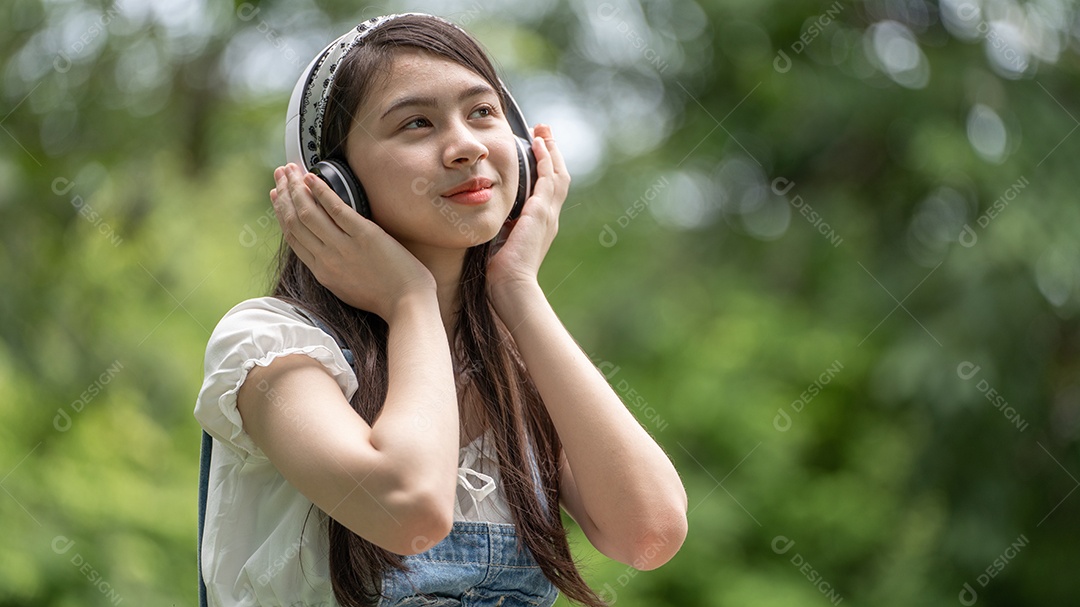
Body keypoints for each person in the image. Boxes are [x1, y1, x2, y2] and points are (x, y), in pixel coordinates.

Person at [195, 12, 687, 607]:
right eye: (417, 124)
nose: (467, 146)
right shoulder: (270, 344)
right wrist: (410, 301)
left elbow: (649, 534)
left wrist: (519, 291)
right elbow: (409, 511)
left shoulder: (518, 372)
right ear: (336, 182)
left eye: (483, 112)